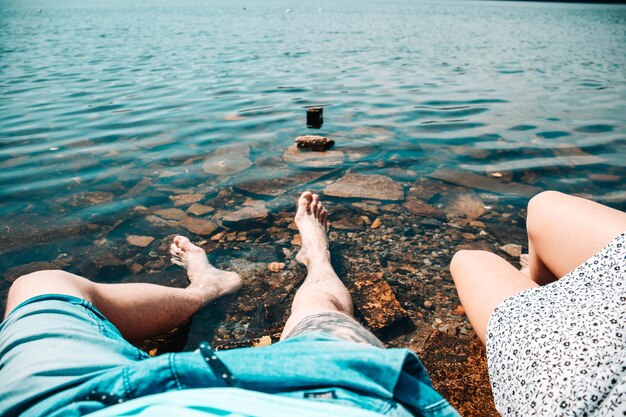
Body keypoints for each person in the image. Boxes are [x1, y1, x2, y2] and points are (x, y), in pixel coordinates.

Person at [0, 191, 459, 417]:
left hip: (81, 406)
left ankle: (206, 288)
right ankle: (315, 255)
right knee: (321, 310)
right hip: (323, 401)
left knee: (41, 284)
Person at [450, 191, 626, 416]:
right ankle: (540, 287)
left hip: (584, 386)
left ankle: (539, 293)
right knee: (542, 205)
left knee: (468, 261)